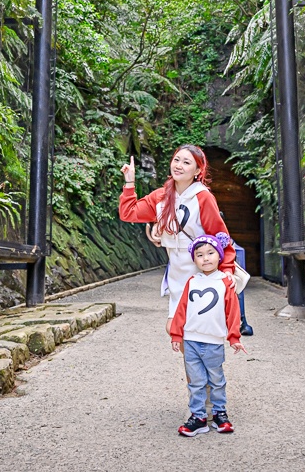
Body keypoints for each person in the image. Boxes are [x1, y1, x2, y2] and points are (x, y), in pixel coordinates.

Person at [119, 145, 235, 334]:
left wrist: (227, 269)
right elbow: (129, 213)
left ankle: (202, 364)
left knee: (195, 330)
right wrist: (130, 183)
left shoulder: (203, 197)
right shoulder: (161, 196)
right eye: (177, 160)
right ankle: (195, 364)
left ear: (198, 171)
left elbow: (219, 236)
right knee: (176, 330)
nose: (179, 165)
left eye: (186, 162)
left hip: (200, 269)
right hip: (176, 270)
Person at [170, 233, 246, 436]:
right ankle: (199, 417)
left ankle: (220, 413)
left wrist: (234, 337)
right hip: (191, 341)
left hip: (213, 342)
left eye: (211, 253)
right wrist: (176, 335)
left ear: (219, 256)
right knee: (195, 382)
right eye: (200, 254)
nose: (205, 258)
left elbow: (232, 311)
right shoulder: (192, 281)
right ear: (194, 259)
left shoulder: (225, 282)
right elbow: (182, 309)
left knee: (216, 380)